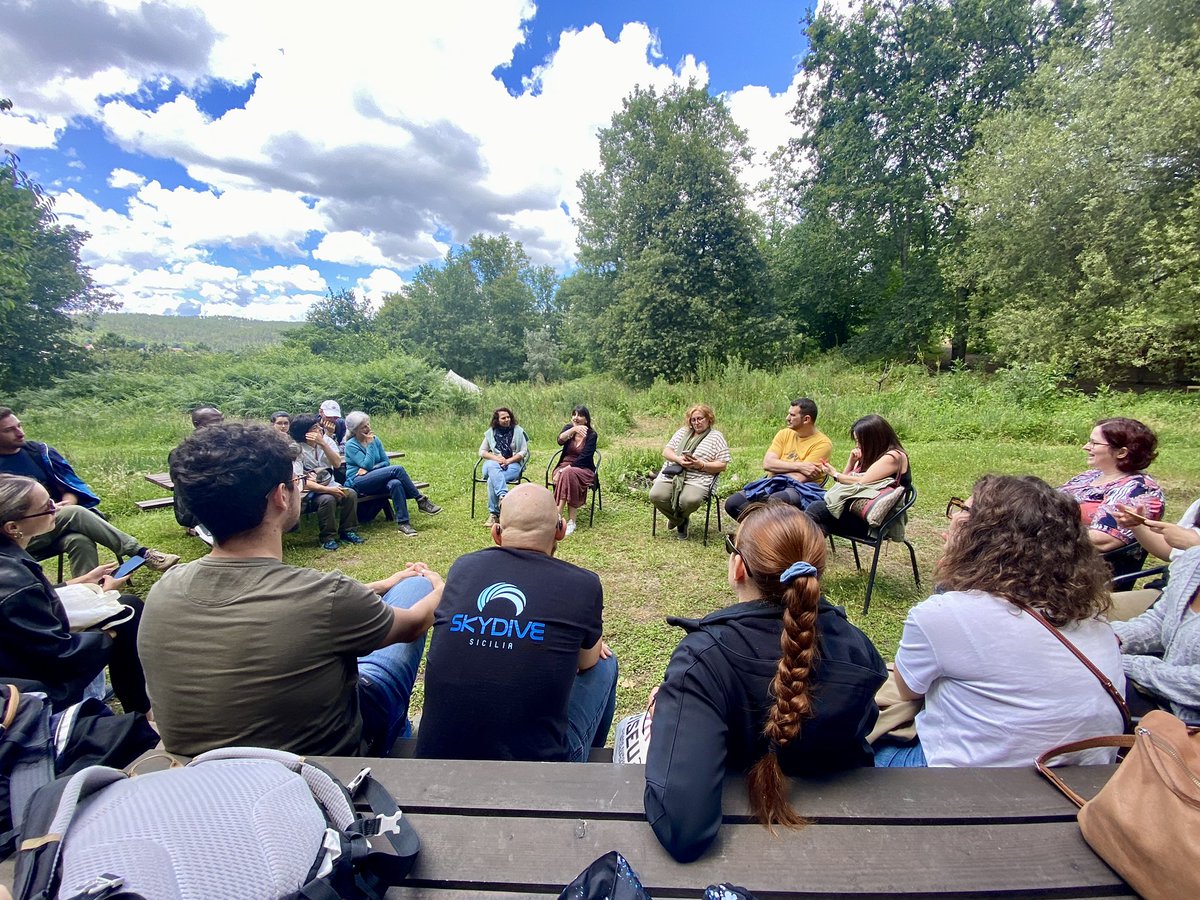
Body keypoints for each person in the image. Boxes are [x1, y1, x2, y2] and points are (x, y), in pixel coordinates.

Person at [140, 423, 443, 756]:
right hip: (314, 773)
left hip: (200, 772)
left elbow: (275, 601)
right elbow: (413, 624)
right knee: (413, 590)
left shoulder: (162, 591)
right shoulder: (327, 595)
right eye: (297, 482)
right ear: (280, 496)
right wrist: (443, 584)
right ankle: (394, 732)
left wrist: (380, 585)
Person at [643, 502, 886, 862]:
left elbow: (684, 828)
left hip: (751, 854)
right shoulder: (857, 647)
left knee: (634, 731)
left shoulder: (705, 659)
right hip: (850, 847)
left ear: (738, 566)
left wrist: (674, 710)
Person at [877, 475, 1127, 768]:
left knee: (848, 751)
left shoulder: (943, 614)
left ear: (981, 535)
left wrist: (949, 580)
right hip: (1085, 779)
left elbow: (908, 690)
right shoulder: (1089, 614)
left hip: (969, 785)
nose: (955, 516)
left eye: (964, 511)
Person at [416, 484, 617, 762]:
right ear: (560, 530)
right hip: (536, 776)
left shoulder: (463, 567)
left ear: (496, 532)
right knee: (607, 663)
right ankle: (581, 770)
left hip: (436, 759)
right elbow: (587, 664)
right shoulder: (584, 584)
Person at [0, 474, 150, 713]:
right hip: (32, 684)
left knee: (122, 601)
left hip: (16, 662)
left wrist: (82, 582)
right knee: (127, 611)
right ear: (13, 527)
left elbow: (35, 598)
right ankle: (140, 711)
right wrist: (107, 627)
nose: (57, 508)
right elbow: (60, 656)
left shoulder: (9, 562)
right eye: (47, 507)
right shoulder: (17, 581)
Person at [0, 407, 179, 577]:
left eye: (19, 425)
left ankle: (90, 593)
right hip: (14, 536)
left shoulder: (37, 452)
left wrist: (65, 505)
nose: (20, 432)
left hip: (50, 525)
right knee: (75, 513)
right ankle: (142, 553)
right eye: (9, 430)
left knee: (80, 541)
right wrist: (61, 510)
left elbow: (70, 488)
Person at [1111, 542, 1200, 722]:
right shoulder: (1194, 560)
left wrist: (1125, 663)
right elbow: (1160, 621)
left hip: (1187, 722)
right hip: (1159, 694)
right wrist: (1111, 638)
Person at [1058, 418, 1165, 552]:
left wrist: (1040, 533)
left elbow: (1103, 539)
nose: (1085, 447)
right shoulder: (1089, 476)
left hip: (1081, 565)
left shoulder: (1139, 490)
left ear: (1121, 452)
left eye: (1094, 443)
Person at [724, 398, 833, 521]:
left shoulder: (823, 444)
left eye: (792, 415)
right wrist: (800, 466)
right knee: (732, 504)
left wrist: (777, 468)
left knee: (775, 501)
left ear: (806, 419)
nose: (787, 418)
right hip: (772, 483)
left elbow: (799, 479)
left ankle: (770, 535)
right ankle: (760, 534)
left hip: (802, 490)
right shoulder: (784, 434)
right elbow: (767, 463)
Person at [807, 414, 909, 540]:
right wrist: (852, 462)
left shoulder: (893, 457)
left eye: (860, 441)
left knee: (816, 508)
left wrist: (834, 473)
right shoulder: (873, 455)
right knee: (820, 521)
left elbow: (861, 482)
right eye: (856, 441)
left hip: (872, 522)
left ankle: (796, 552)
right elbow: (843, 484)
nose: (857, 445)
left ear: (874, 439)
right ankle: (807, 554)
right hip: (855, 512)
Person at [343, 411, 441, 538]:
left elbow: (385, 462)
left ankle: (404, 523)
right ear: (355, 430)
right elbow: (365, 464)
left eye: (368, 425)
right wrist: (370, 446)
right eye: (364, 427)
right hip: (358, 481)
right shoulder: (351, 445)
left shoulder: (375, 439)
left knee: (395, 483)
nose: (369, 428)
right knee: (397, 469)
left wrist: (374, 468)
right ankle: (420, 500)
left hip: (375, 477)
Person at [648, 404, 730, 542]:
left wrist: (701, 464)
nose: (696, 422)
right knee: (655, 495)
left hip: (699, 478)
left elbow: (722, 465)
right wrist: (678, 459)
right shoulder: (682, 432)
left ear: (709, 419)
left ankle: (676, 519)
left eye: (700, 419)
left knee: (689, 500)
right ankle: (681, 521)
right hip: (673, 473)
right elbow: (666, 451)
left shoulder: (716, 437)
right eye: (693, 420)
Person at [287, 414, 365, 550]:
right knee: (327, 499)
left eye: (318, 426)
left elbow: (336, 463)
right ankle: (327, 538)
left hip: (330, 483)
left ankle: (348, 531)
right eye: (314, 428)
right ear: (305, 432)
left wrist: (323, 444)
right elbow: (300, 480)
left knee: (350, 494)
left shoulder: (327, 441)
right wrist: (329, 490)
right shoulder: (296, 449)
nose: (319, 429)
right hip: (309, 491)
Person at [478, 407, 529, 526]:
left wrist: (508, 461)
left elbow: (523, 452)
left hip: (513, 465)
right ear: (497, 420)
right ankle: (504, 495)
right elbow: (482, 451)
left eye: (508, 417)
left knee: (492, 480)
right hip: (493, 465)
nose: (507, 420)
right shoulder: (491, 432)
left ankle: (494, 515)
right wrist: (497, 459)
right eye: (503, 418)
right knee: (491, 465)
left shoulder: (518, 431)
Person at [551, 405, 597, 536]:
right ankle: (571, 521)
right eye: (574, 414)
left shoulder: (592, 435)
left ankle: (557, 514)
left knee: (567, 473)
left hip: (584, 468)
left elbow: (585, 457)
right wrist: (573, 430)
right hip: (564, 466)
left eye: (580, 415)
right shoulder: (568, 429)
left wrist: (564, 470)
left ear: (586, 419)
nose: (576, 417)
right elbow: (559, 441)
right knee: (568, 474)